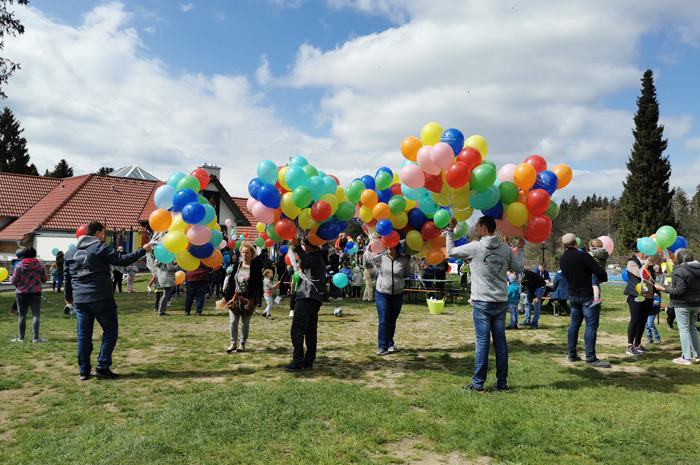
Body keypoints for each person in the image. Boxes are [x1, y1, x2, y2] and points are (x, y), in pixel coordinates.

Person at [64, 221, 153, 380]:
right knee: (110, 331)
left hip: (80, 301)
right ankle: (102, 366)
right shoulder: (100, 248)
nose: (103, 237)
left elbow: (67, 278)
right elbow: (122, 260)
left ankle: (84, 371)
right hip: (101, 298)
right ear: (97, 233)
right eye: (103, 233)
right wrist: (143, 250)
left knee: (83, 336)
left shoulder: (70, 253)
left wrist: (69, 299)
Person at [446, 215, 525, 392]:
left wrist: (450, 231)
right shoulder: (505, 248)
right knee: (500, 343)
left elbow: (450, 252)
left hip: (482, 301)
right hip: (500, 301)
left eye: (477, 226)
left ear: (483, 229)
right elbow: (519, 267)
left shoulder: (475, 247)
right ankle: (502, 383)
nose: (475, 228)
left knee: (482, 343)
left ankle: (478, 383)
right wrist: (520, 249)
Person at [559, 233, 610, 368]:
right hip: (587, 295)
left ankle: (571, 354)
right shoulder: (582, 255)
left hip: (573, 295)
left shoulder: (562, 259)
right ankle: (591, 357)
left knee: (574, 325)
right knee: (591, 326)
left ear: (564, 245)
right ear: (576, 243)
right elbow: (599, 272)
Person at [283, 234, 326, 372]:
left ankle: (298, 361)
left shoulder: (314, 257)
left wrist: (296, 246)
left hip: (307, 297)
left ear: (309, 246)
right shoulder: (318, 257)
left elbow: (306, 261)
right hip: (314, 298)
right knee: (310, 331)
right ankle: (308, 361)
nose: (304, 249)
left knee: (298, 329)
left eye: (305, 246)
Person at [364, 242, 413, 356]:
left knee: (392, 321)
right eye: (387, 246)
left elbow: (408, 274)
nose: (389, 248)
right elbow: (367, 265)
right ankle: (382, 346)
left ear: (396, 247)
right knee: (384, 320)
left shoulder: (403, 260)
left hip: (397, 294)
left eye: (391, 246)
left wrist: (415, 265)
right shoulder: (381, 258)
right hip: (382, 293)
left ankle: (390, 344)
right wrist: (368, 251)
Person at [654, 248, 700, 365]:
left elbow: (679, 290)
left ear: (679, 258)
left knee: (684, 329)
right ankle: (697, 355)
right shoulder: (697, 268)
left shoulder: (680, 271)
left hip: (682, 304)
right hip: (695, 303)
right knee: (692, 328)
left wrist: (663, 289)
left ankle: (686, 357)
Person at [224, 241, 262, 353]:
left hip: (248, 299)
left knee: (245, 324)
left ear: (252, 254)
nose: (245, 255)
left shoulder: (255, 268)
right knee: (233, 322)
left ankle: (242, 344)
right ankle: (233, 344)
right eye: (243, 252)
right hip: (235, 298)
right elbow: (231, 282)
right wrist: (227, 297)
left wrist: (258, 299)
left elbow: (259, 285)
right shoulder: (237, 266)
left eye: (247, 253)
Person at [623, 246, 656, 356]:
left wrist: (660, 261)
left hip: (649, 296)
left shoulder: (649, 263)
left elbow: (657, 271)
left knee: (643, 320)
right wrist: (647, 263)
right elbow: (639, 274)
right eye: (644, 253)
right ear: (637, 252)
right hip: (636, 295)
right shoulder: (632, 262)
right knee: (635, 319)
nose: (646, 255)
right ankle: (629, 345)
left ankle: (638, 344)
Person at [10, 247, 48, 343]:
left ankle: (21, 338)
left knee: (22, 316)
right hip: (36, 292)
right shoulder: (40, 265)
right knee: (36, 315)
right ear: (34, 254)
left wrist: (11, 278)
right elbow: (44, 279)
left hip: (22, 293)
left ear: (23, 255)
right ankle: (36, 338)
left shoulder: (19, 265)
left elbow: (14, 280)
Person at [588, 239, 609, 305]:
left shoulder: (592, 253)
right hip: (601, 271)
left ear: (592, 246)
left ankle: (596, 298)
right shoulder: (604, 253)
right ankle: (597, 296)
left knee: (594, 285)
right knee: (596, 285)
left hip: (593, 272)